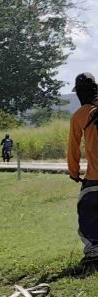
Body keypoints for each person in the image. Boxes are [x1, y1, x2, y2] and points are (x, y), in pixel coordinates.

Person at [68, 72, 98, 267]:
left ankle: (94, 253)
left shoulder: (81, 115)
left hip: (95, 177)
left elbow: (73, 146)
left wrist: (73, 171)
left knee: (87, 211)